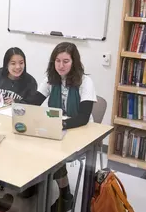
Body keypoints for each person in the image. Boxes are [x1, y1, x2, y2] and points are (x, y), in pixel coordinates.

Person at [31, 42, 97, 212]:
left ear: (74, 62)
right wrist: (16, 105)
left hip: (81, 131)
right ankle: (47, 187)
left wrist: (61, 124)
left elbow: (83, 117)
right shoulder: (50, 80)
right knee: (39, 144)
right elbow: (34, 103)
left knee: (54, 152)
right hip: (58, 128)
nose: (61, 65)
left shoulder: (85, 81)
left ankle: (64, 194)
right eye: (57, 60)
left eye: (66, 61)